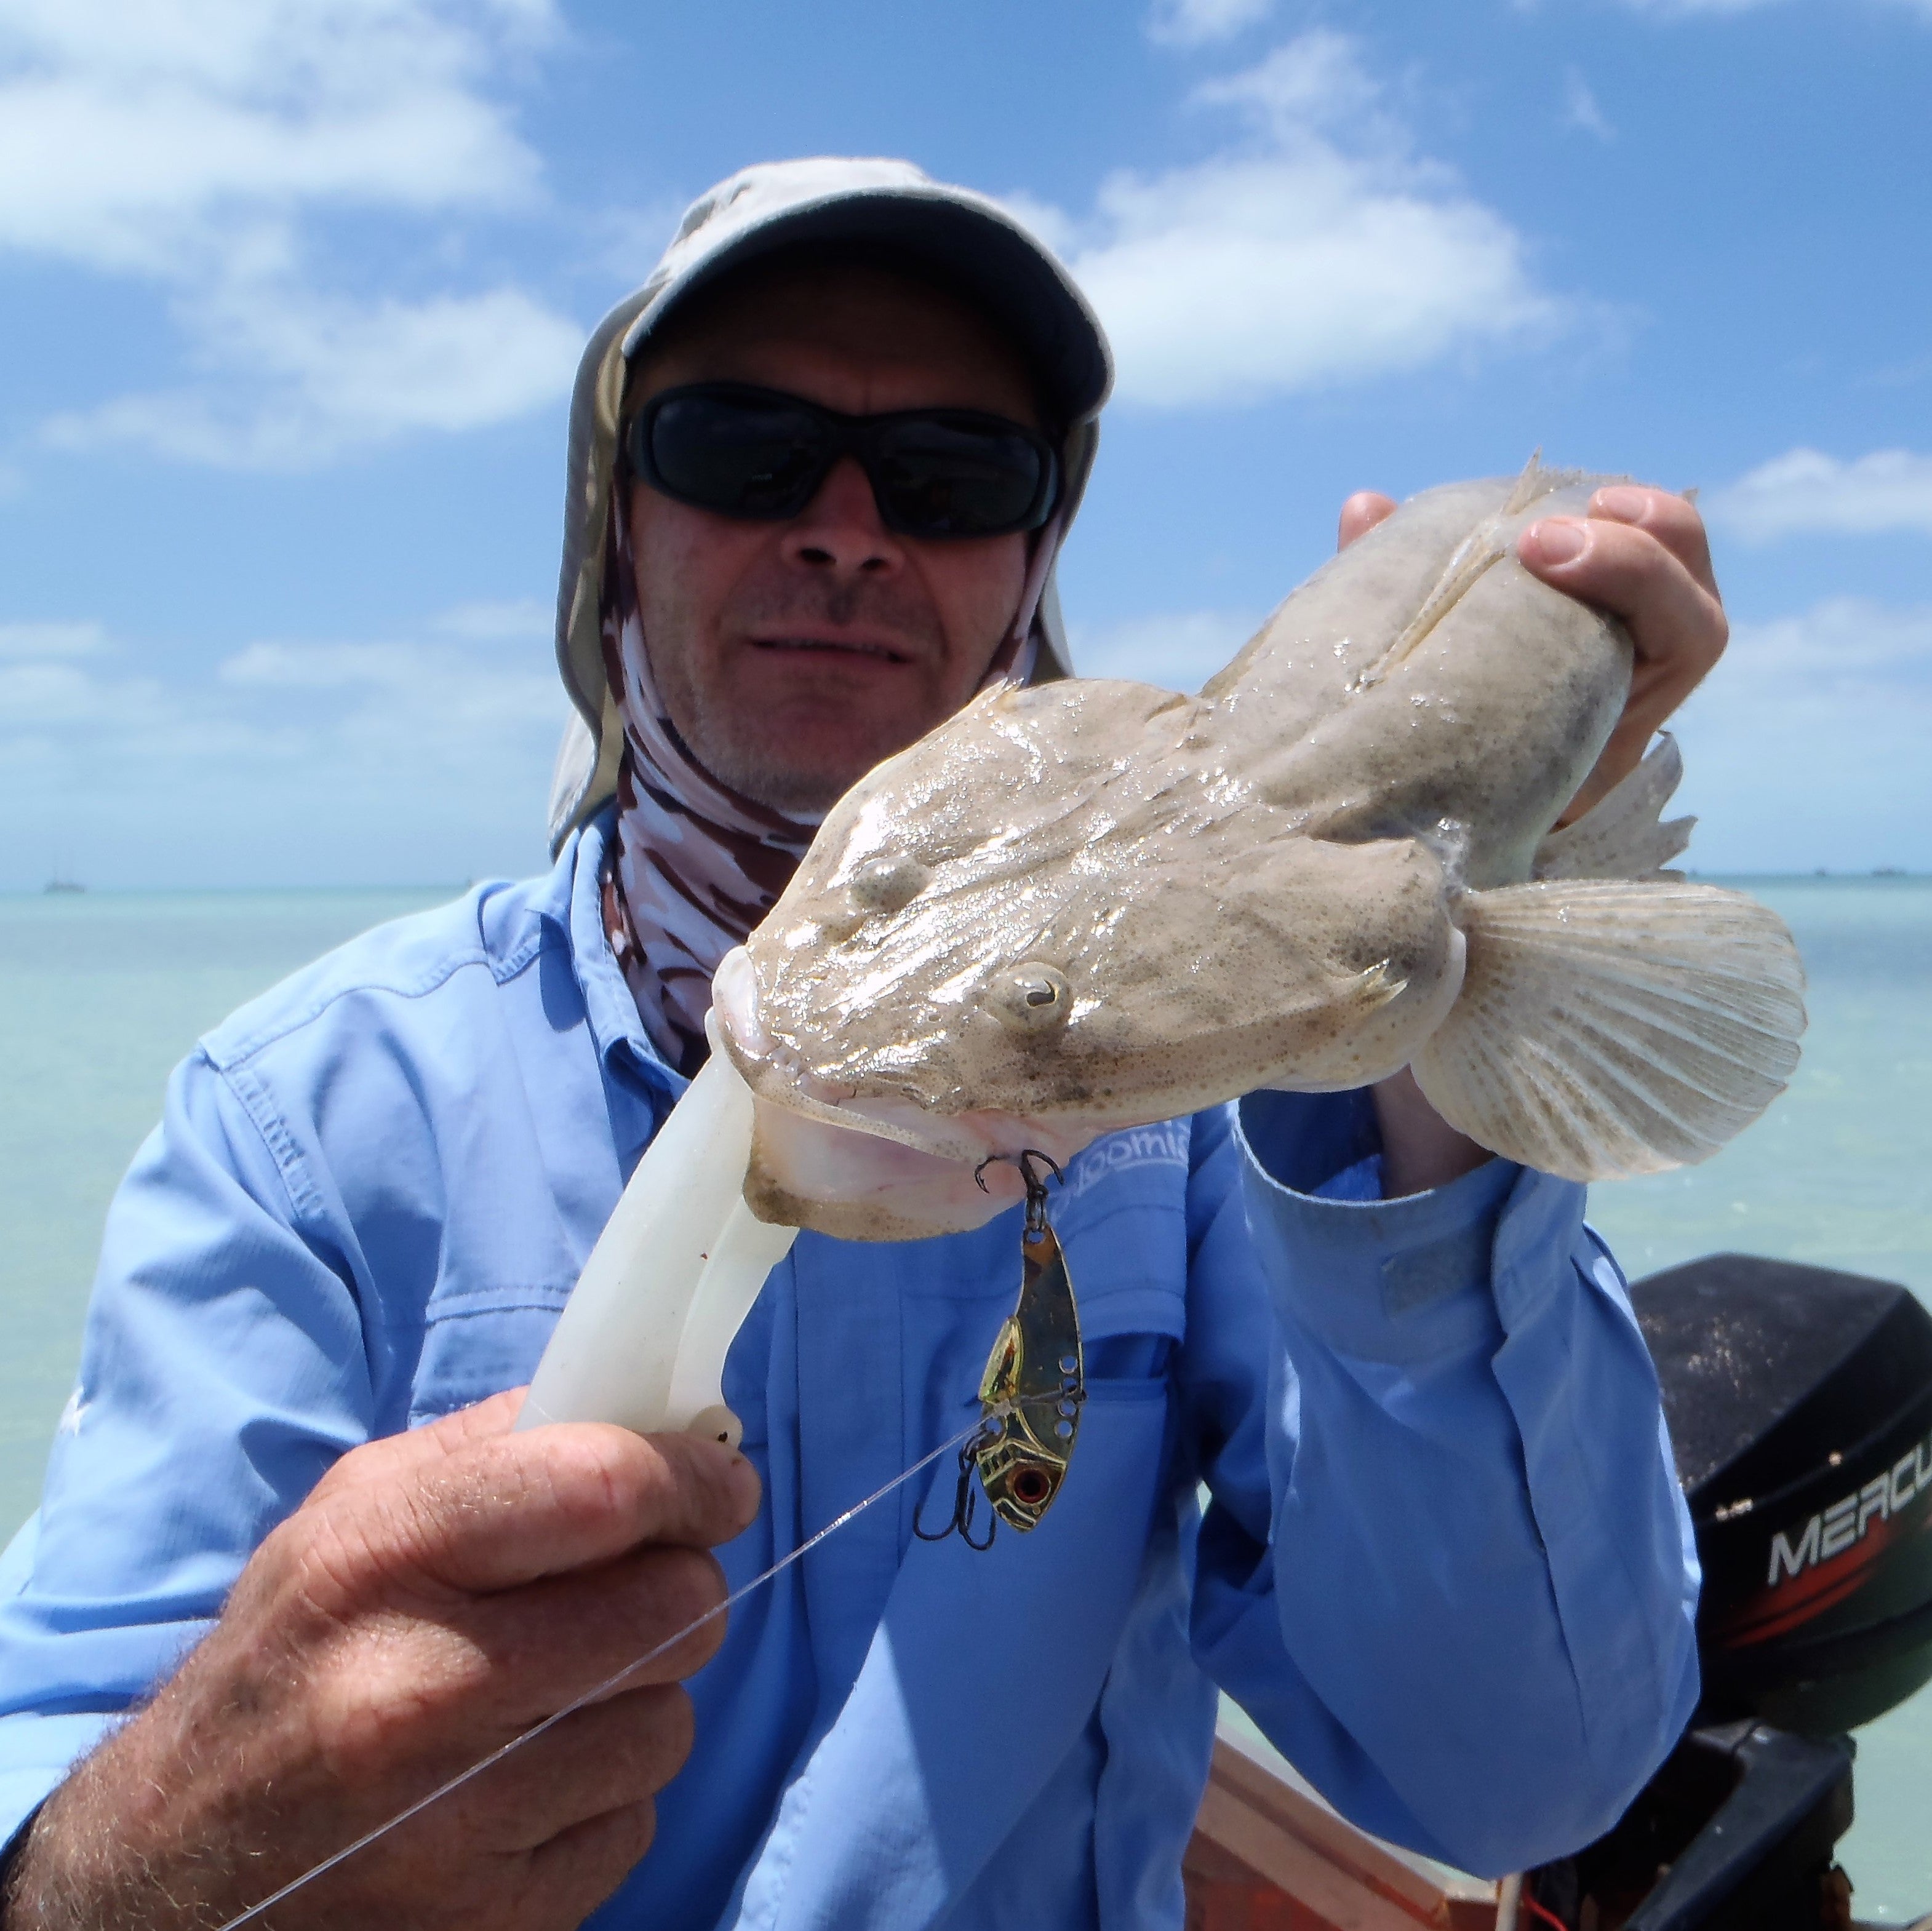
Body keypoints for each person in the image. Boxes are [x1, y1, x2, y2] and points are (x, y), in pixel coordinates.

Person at [0, 159, 1726, 1931]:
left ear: (1034, 560)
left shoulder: (1212, 1109)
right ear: (613, 520)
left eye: (953, 474)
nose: (844, 529)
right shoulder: (299, 1121)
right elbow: (50, 1780)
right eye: (739, 448)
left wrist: (1440, 1011)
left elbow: (1513, 1775)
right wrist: (199, 1828)